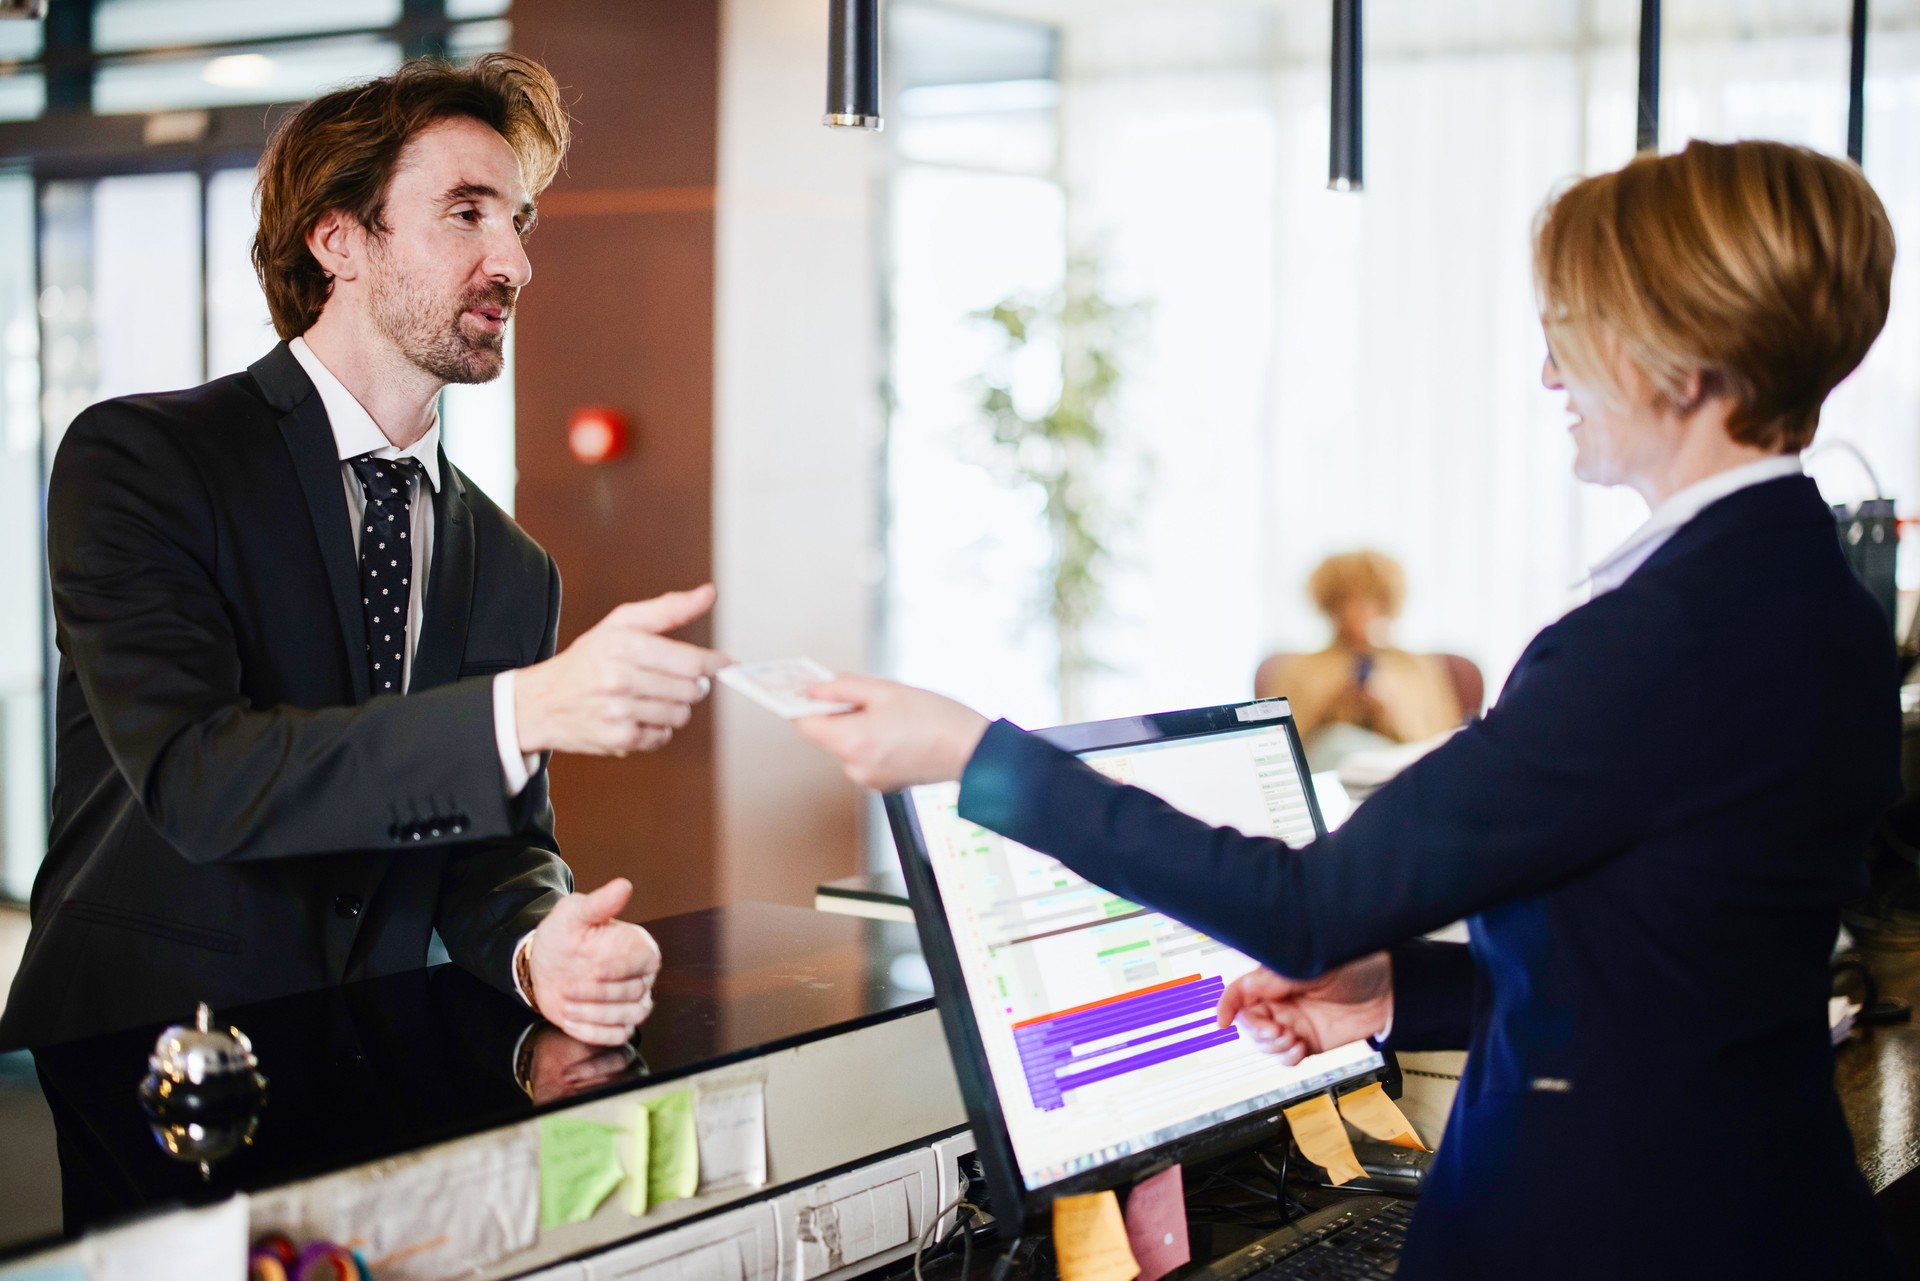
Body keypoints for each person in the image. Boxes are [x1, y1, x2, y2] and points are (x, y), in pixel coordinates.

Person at [793, 140, 1902, 1278]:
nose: (1549, 375)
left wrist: (981, 755)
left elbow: (1306, 906)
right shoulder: (1814, 595)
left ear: (1680, 360)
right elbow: (1674, 979)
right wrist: (1392, 994)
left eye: (1570, 327)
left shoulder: (1663, 638)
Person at [0, 55, 730, 1053]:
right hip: (128, 1077)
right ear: (339, 239)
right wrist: (524, 709)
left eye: (518, 222)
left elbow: (493, 850)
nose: (514, 262)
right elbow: (199, 780)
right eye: (466, 213)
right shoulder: (146, 460)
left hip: (370, 1081)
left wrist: (535, 938)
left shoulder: (514, 566)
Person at [1268, 550, 1463, 770]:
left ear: (1387, 603)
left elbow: (1442, 744)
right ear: (1329, 604)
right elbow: (1278, 751)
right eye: (1345, 600)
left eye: (1371, 600)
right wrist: (1330, 710)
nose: (1357, 611)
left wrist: (1389, 715)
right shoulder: (1300, 669)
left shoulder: (1416, 668)